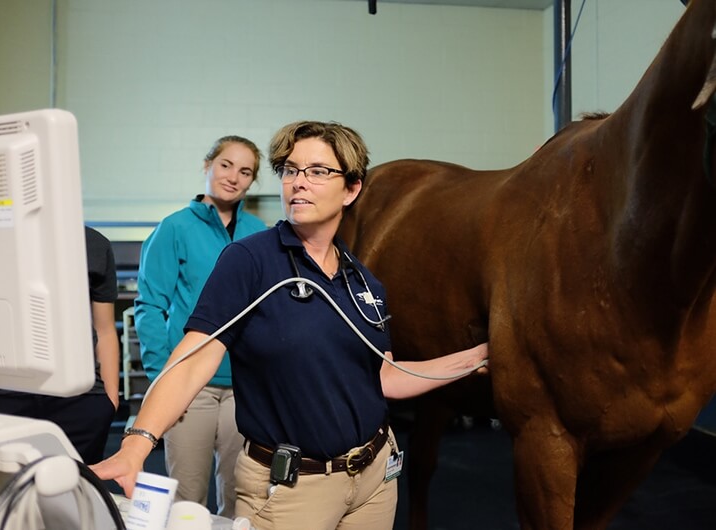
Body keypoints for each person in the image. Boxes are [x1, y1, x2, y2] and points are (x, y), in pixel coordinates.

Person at [91, 121, 488, 529]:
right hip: (292, 489)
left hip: (374, 479)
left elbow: (385, 376)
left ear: (351, 189)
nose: (299, 182)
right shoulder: (251, 260)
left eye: (317, 172)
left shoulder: (363, 282)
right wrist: (136, 445)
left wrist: (474, 358)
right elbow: (194, 359)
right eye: (291, 170)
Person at [135, 135, 266, 517]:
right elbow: (149, 306)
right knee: (187, 499)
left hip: (243, 386)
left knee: (240, 495)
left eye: (245, 172)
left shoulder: (260, 232)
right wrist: (164, 376)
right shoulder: (173, 228)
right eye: (225, 165)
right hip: (190, 383)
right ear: (207, 165)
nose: (233, 177)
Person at [0, 226, 119, 465]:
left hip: (81, 399)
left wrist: (110, 399)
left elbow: (105, 328)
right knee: (0, 495)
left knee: (75, 493)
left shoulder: (93, 243)